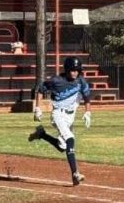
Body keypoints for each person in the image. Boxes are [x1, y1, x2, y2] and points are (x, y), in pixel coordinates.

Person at [28, 56, 92, 186]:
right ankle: (75, 174)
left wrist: (87, 112)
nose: (75, 73)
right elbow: (40, 89)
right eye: (72, 70)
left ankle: (42, 134)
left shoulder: (81, 81)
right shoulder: (57, 81)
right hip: (58, 114)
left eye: (77, 70)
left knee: (63, 147)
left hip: (70, 117)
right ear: (67, 70)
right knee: (70, 139)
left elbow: (86, 97)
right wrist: (38, 108)